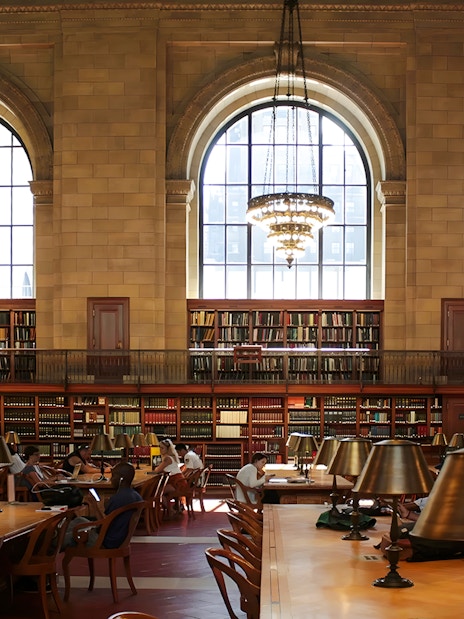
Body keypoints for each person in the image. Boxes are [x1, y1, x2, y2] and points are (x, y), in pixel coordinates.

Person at [62, 461, 143, 549]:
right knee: (79, 520)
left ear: (121, 479)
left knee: (70, 536)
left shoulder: (118, 499)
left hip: (105, 540)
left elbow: (102, 525)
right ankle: (57, 534)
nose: (111, 479)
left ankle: (54, 541)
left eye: (113, 476)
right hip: (117, 536)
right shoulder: (135, 496)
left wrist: (94, 504)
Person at [154, 438, 189, 518]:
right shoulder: (171, 457)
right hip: (179, 481)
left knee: (158, 493)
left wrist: (157, 468)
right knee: (160, 491)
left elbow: (157, 470)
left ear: (167, 449)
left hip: (176, 482)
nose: (160, 450)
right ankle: (174, 509)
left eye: (162, 448)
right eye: (159, 447)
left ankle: (171, 511)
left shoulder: (167, 458)